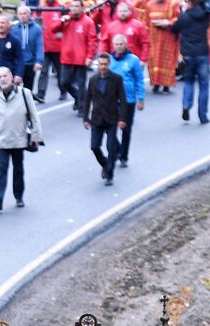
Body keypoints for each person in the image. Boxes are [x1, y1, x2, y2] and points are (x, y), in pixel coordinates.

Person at [0, 65, 44, 211]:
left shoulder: (25, 93)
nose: (3, 79)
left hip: (19, 138)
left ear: (11, 77)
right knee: (2, 167)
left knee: (18, 169)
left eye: (5, 76)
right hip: (1, 139)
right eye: (0, 77)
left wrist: (36, 136)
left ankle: (18, 196)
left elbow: (34, 116)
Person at [82, 52, 129, 186]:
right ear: (98, 65)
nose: (103, 67)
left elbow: (123, 100)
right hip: (96, 119)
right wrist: (85, 117)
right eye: (101, 64)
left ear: (109, 64)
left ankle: (110, 174)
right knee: (94, 146)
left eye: (105, 64)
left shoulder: (116, 79)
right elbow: (87, 100)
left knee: (111, 147)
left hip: (112, 119)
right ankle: (105, 164)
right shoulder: (93, 80)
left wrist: (122, 119)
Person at [172, 0, 210, 123]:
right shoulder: (206, 15)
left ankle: (186, 105)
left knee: (189, 81)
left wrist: (182, 12)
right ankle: (203, 115)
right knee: (204, 85)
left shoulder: (185, 16)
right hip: (202, 53)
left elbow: (175, 28)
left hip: (188, 54)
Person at [107, 34, 147, 168]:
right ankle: (117, 150)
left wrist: (141, 99)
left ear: (126, 45)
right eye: (116, 44)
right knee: (109, 127)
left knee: (126, 129)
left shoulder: (133, 60)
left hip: (128, 101)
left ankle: (124, 156)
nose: (118, 47)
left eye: (121, 44)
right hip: (112, 100)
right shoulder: (109, 60)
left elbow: (139, 80)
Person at [58, 0, 99, 113]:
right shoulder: (66, 20)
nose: (74, 8)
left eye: (76, 6)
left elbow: (92, 41)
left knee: (81, 84)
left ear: (81, 8)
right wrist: (61, 21)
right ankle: (78, 97)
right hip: (67, 57)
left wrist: (90, 57)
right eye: (72, 6)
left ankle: (82, 107)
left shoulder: (88, 22)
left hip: (81, 58)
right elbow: (53, 29)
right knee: (64, 82)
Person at [145, 0, 184, 93]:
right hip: (153, 38)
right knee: (154, 61)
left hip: (168, 38)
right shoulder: (149, 4)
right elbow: (146, 21)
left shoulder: (173, 4)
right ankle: (155, 83)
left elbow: (178, 18)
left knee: (167, 61)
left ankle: (166, 85)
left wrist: (168, 22)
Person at [12, 6, 46, 104]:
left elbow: (39, 45)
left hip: (30, 63)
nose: (22, 16)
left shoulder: (36, 29)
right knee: (15, 89)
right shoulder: (14, 29)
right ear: (17, 15)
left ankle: (27, 110)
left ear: (29, 14)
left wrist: (39, 61)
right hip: (17, 63)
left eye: (25, 13)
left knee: (27, 90)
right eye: (20, 14)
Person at [40, 0, 68, 101]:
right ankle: (41, 94)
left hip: (58, 46)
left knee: (60, 71)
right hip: (45, 46)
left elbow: (67, 24)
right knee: (43, 71)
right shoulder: (41, 8)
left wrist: (63, 33)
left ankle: (63, 91)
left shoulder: (61, 8)